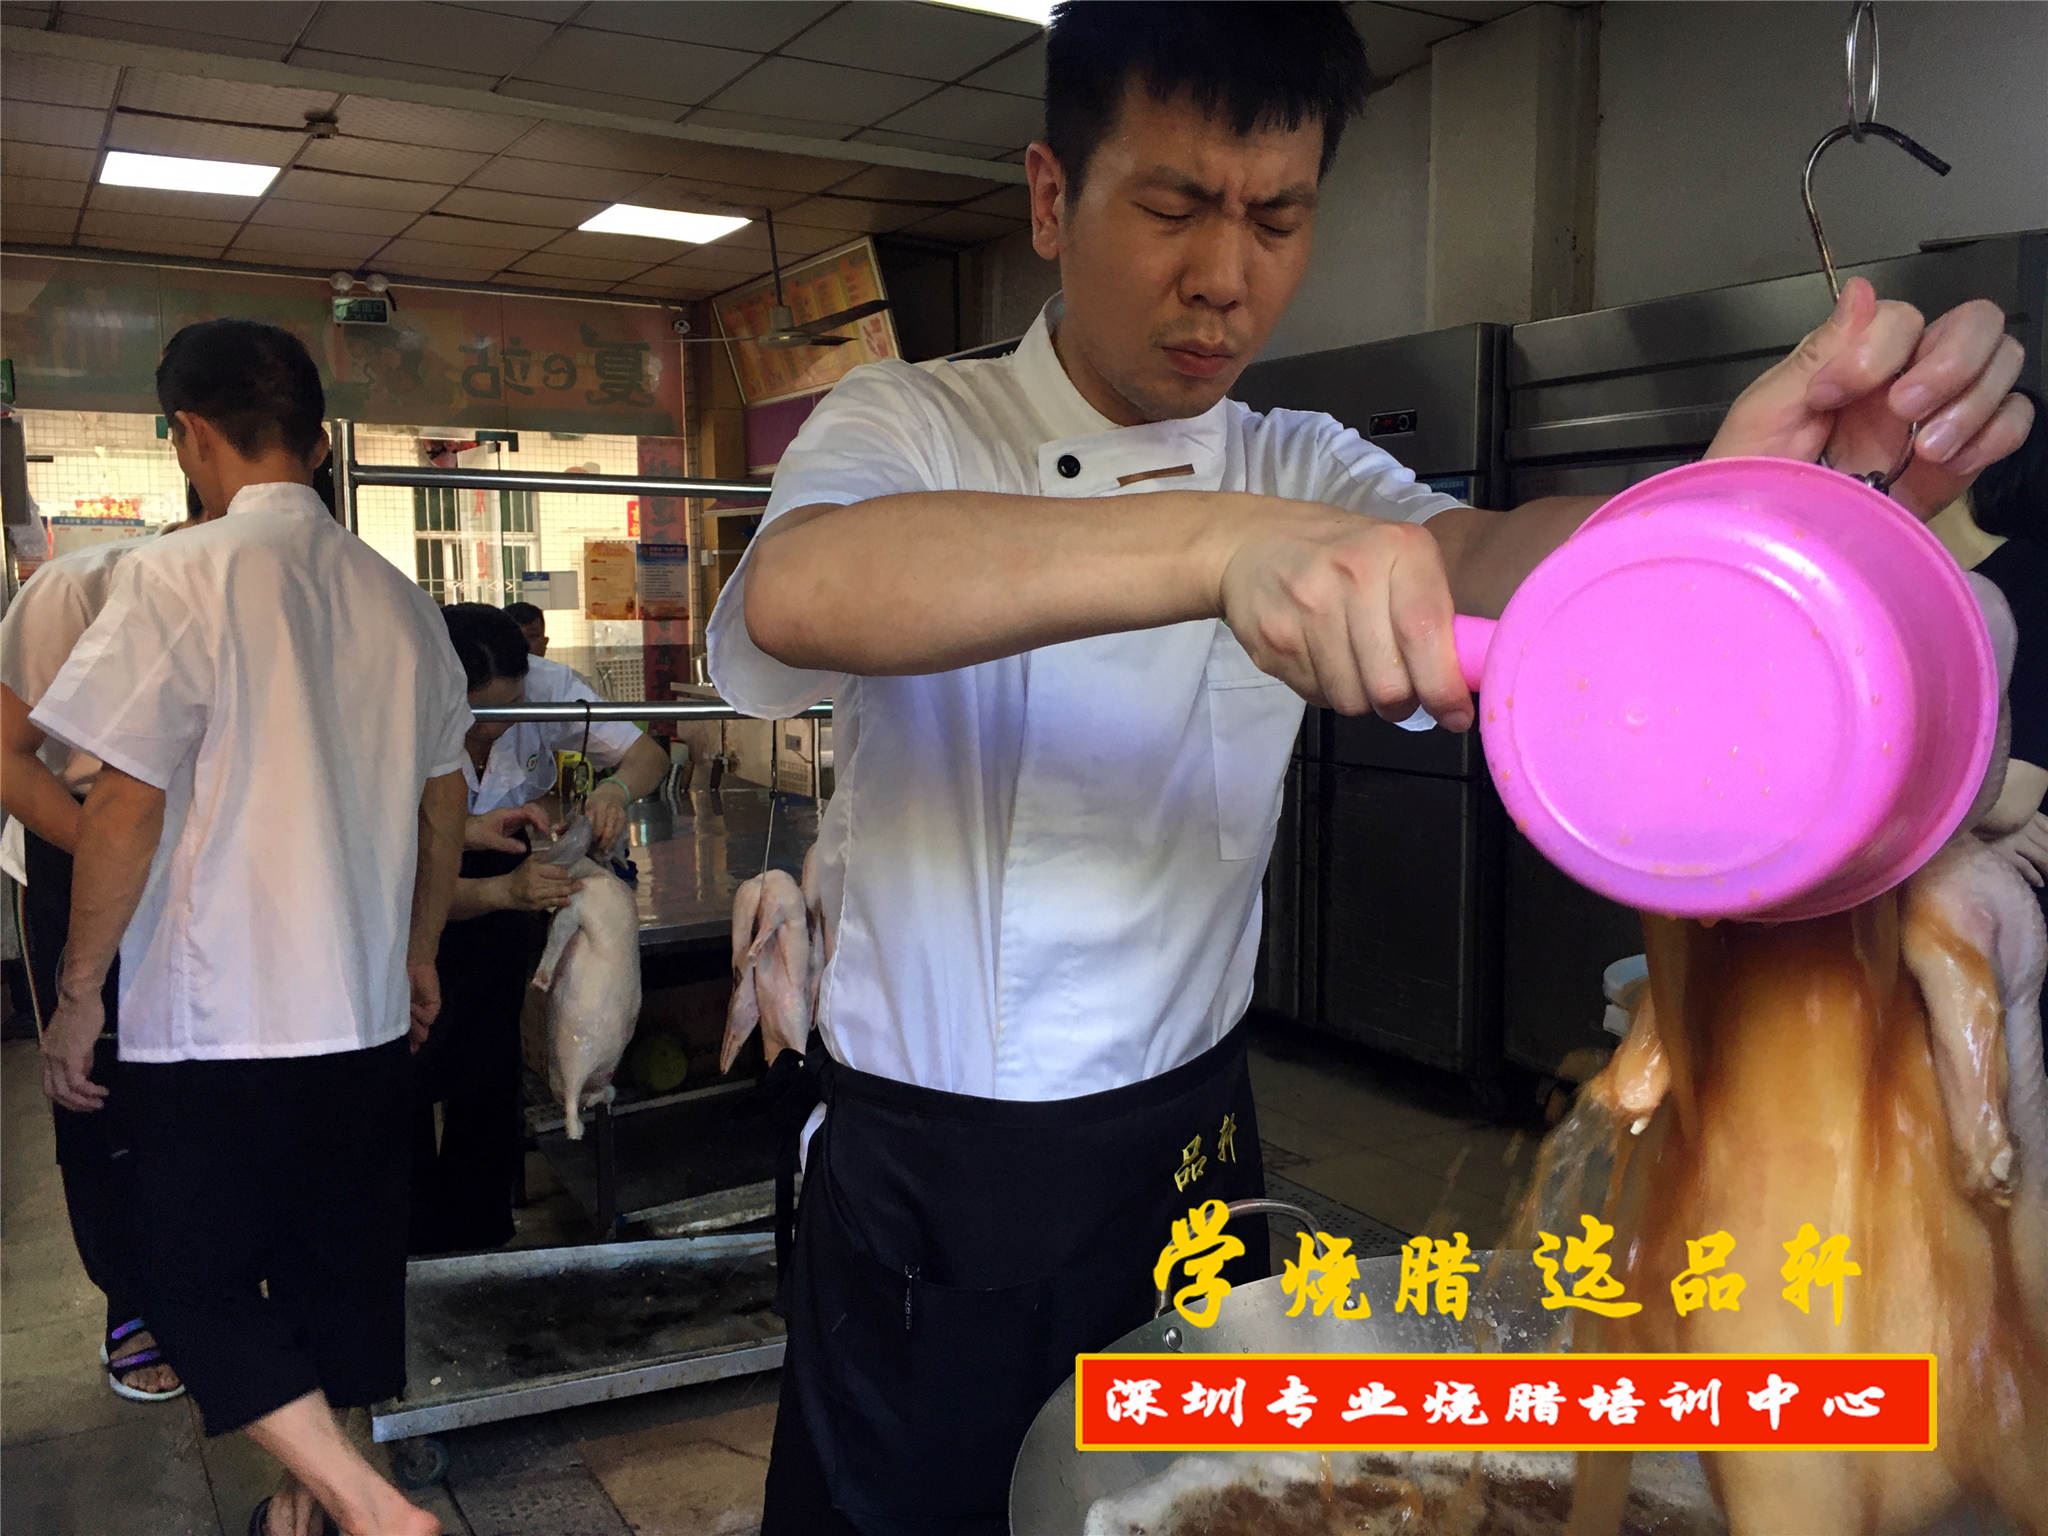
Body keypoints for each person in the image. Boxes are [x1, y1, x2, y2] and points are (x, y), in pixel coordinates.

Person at [704, 5, 2035, 1530]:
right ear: (1054, 197)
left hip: (1189, 1141)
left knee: (1176, 1502)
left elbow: (1492, 557)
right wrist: (1223, 549)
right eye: (1175, 207)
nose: (1226, 276)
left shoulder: (1305, 461)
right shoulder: (916, 421)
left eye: (1277, 219)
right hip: (937, 1169)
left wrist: (1738, 498)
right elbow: (807, 589)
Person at [31, 319, 468, 1536]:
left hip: (214, 1022)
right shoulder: (400, 599)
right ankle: (302, 1507)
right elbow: (444, 802)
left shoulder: (180, 575)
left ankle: (370, 1509)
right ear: (319, 442)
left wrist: (79, 993)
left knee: (184, 1279)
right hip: (362, 1016)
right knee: (337, 1277)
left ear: (189, 434)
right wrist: (419, 951)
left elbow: (124, 803)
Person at [0, 483, 205, 1405]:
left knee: (205, 1077)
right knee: (94, 1082)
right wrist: (113, 854)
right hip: (75, 841)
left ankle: (209, 1274)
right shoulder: (79, 588)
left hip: (214, 858)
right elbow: (7, 751)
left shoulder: (273, 593)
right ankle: (132, 1299)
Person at [408, 603, 668, 1254]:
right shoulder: (395, 702)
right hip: (407, 879)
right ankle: (406, 1240)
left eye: (511, 710)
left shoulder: (547, 688)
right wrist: (487, 870)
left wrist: (613, 791)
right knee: (403, 1067)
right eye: (483, 717)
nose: (498, 730)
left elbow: (646, 756)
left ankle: (478, 1235)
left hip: (507, 869)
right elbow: (390, 875)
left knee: (487, 1061)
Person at [1929, 390, 2048, 899]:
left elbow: (2014, 794)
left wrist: (1958, 831)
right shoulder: (1881, 584)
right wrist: (1966, 834)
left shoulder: (2030, 578)